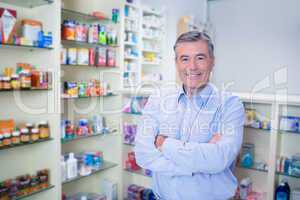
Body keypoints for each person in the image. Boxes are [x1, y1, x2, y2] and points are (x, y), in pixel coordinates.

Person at [134, 31, 245, 200]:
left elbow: (219, 159)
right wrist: (198, 163)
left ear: (212, 61)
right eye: (184, 58)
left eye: (200, 58)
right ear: (176, 63)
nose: (192, 66)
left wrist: (165, 144)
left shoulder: (230, 105)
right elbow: (143, 155)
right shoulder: (158, 99)